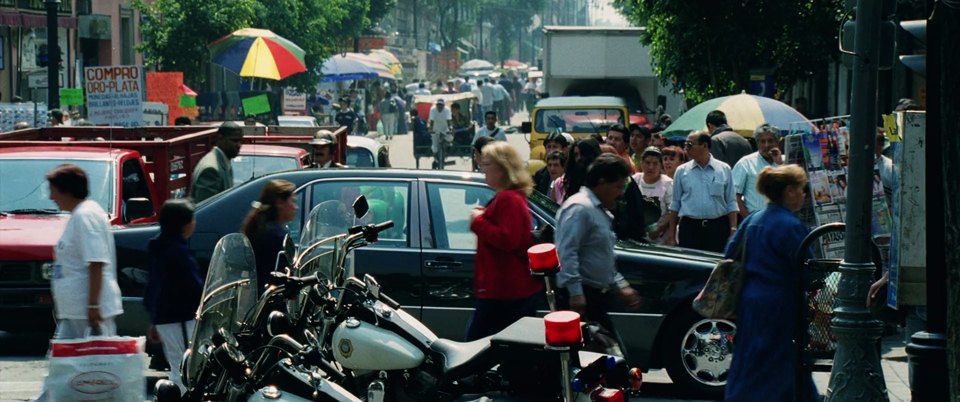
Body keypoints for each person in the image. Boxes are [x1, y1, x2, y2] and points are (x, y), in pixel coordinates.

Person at [723, 164, 818, 402]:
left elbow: (730, 253)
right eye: (800, 188)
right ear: (789, 191)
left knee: (750, 359)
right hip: (781, 303)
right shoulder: (792, 226)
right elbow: (809, 269)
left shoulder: (753, 219)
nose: (804, 194)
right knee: (781, 361)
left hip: (750, 301)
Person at [555, 154, 641, 348]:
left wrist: (621, 286)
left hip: (596, 298)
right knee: (598, 359)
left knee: (608, 358)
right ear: (602, 183)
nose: (620, 194)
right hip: (580, 299)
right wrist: (576, 293)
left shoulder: (598, 210)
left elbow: (602, 255)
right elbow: (566, 253)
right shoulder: (580, 208)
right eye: (618, 187)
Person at [466, 142, 542, 340]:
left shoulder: (509, 198)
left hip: (505, 293)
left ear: (503, 168)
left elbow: (509, 239)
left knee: (474, 351)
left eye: (488, 164)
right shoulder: (507, 197)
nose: (483, 169)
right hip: (502, 292)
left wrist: (478, 220)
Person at [145, 199, 203, 393]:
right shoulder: (179, 252)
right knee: (185, 367)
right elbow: (194, 288)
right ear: (186, 224)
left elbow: (154, 287)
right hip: (180, 317)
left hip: (164, 317)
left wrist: (154, 320)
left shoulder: (159, 248)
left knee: (176, 364)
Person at [658, 131, 738, 253]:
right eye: (685, 145)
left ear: (704, 145)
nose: (686, 148)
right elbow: (675, 205)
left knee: (714, 265)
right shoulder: (682, 171)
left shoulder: (724, 169)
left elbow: (731, 202)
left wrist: (733, 229)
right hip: (690, 228)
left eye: (690, 144)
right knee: (690, 267)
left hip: (717, 228)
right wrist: (672, 236)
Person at [241, 180, 298, 289]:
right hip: (270, 298)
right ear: (279, 202)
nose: (295, 207)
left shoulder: (260, 227)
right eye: (293, 201)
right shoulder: (277, 236)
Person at [733, 123, 784, 217]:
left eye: (770, 141)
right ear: (757, 143)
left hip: (781, 220)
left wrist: (780, 164)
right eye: (762, 141)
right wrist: (748, 220)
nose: (767, 145)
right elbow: (735, 196)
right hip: (755, 220)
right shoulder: (745, 163)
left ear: (777, 142)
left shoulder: (785, 162)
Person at [191, 122, 242, 203]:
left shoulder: (223, 161)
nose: (239, 145)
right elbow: (206, 210)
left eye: (240, 141)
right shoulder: (211, 170)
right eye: (234, 140)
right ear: (220, 139)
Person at [633, 147, 675, 245]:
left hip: (660, 240)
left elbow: (672, 211)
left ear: (661, 165)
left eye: (655, 163)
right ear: (641, 163)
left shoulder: (668, 184)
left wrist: (659, 228)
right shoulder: (634, 180)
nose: (651, 167)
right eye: (647, 163)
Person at [553, 137, 602, 203]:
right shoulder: (562, 183)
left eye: (583, 154)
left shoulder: (603, 182)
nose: (579, 158)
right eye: (576, 155)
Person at [533, 131, 571, 195]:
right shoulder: (540, 175)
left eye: (555, 147)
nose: (551, 150)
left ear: (564, 149)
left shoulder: (571, 174)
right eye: (549, 147)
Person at [428, 98, 453, 164]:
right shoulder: (433, 110)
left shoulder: (447, 110)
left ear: (444, 105)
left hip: (445, 129)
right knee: (434, 147)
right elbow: (431, 121)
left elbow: (449, 121)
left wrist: (450, 128)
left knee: (450, 138)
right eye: (438, 105)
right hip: (435, 129)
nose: (439, 106)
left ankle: (446, 147)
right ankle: (436, 158)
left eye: (441, 105)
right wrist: (430, 129)